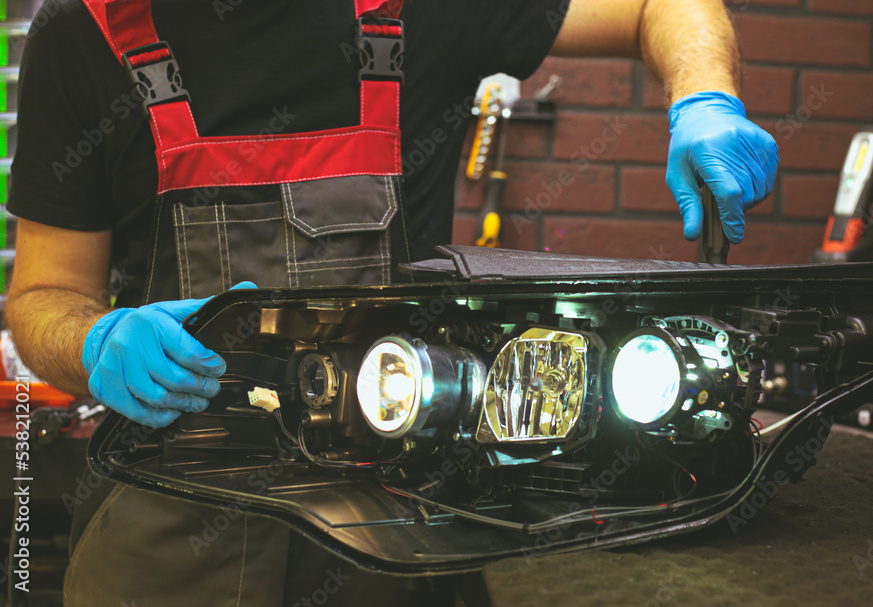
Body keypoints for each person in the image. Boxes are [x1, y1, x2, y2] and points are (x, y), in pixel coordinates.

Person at [5, 0, 779, 604]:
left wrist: (705, 97)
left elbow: (656, 10)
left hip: (397, 535)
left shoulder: (412, 11)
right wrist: (96, 341)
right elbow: (43, 293)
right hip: (165, 538)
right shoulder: (85, 35)